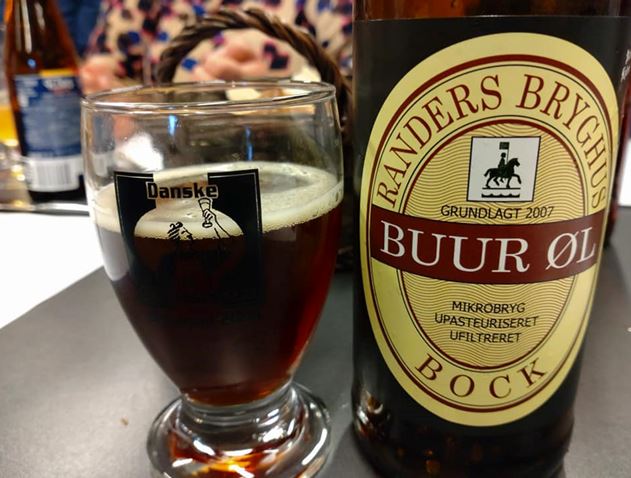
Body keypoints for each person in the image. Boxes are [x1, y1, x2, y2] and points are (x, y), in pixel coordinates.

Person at [81, 0, 352, 94]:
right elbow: (106, 68)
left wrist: (286, 89)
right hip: (169, 160)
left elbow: (362, 87)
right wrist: (101, 83)